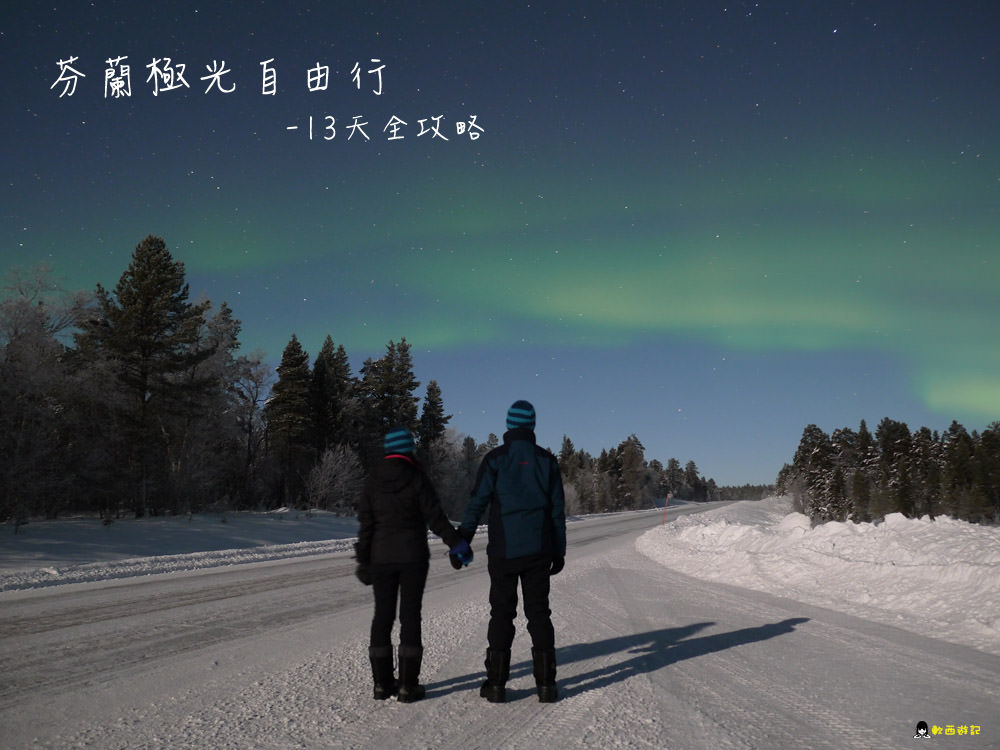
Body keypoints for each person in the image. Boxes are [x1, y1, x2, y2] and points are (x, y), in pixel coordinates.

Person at [355, 427, 473, 703]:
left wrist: (363, 560)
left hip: (381, 558)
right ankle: (408, 686)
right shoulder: (417, 477)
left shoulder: (373, 481)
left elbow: (366, 525)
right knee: (410, 616)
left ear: (388, 449)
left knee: (381, 616)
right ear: (408, 449)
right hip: (412, 558)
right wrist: (457, 545)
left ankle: (382, 685)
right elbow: (436, 518)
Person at [459, 400, 566, 703]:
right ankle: (547, 686)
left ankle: (495, 685)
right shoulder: (547, 461)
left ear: (508, 425)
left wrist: (463, 537)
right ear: (532, 426)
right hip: (539, 551)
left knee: (502, 614)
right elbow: (557, 511)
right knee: (539, 614)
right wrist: (559, 551)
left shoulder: (495, 459)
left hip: (504, 551)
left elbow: (477, 502)